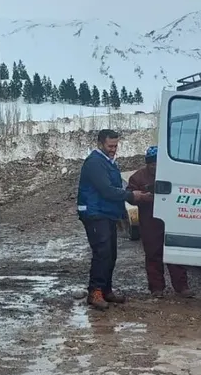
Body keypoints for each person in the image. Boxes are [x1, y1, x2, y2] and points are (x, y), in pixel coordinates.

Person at [77, 129, 151, 310]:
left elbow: (113, 189)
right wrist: (132, 197)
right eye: (110, 146)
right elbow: (107, 190)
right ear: (100, 143)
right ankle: (95, 292)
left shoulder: (108, 162)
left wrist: (120, 214)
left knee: (110, 254)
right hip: (95, 213)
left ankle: (106, 290)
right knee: (102, 253)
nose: (113, 149)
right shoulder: (95, 163)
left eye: (116, 146)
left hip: (106, 213)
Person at [126, 145, 192, 299]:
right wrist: (142, 197)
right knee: (153, 254)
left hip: (171, 220)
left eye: (157, 163)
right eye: (152, 164)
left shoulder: (172, 174)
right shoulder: (138, 177)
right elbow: (130, 195)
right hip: (150, 221)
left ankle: (182, 287)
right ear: (147, 163)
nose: (155, 167)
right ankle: (156, 288)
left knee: (175, 253)